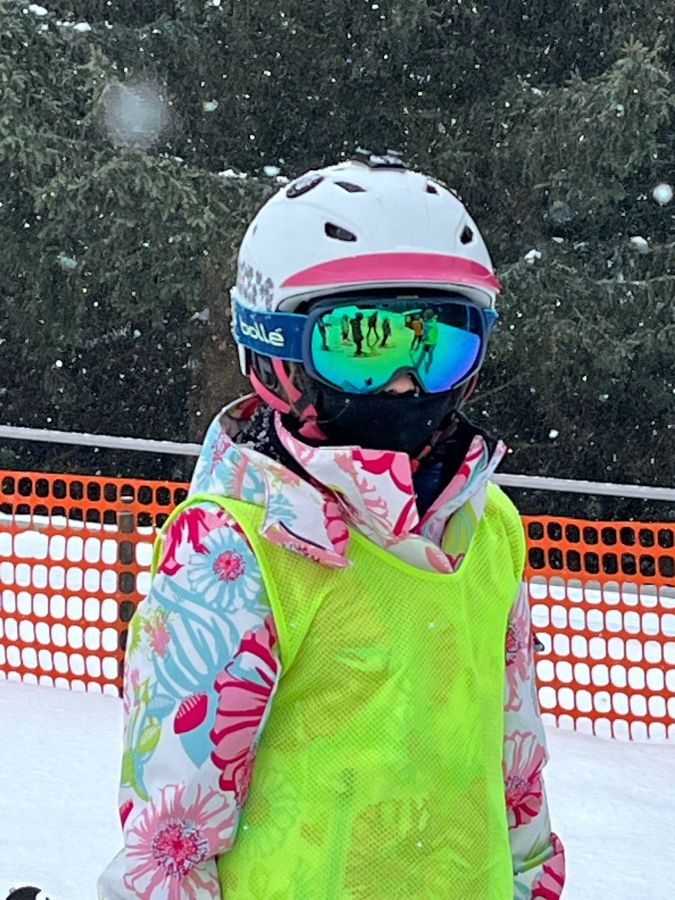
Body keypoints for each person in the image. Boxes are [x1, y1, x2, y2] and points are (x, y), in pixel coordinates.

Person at [98, 154, 565, 899]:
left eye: (439, 344)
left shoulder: (485, 525)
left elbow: (515, 759)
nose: (405, 383)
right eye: (361, 344)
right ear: (276, 348)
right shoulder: (232, 547)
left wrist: (530, 882)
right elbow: (173, 835)